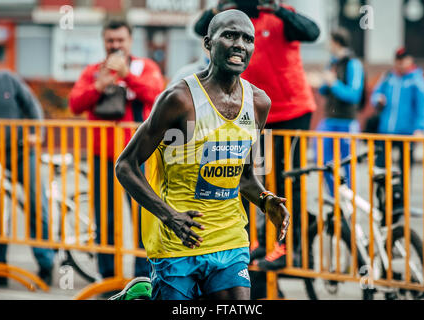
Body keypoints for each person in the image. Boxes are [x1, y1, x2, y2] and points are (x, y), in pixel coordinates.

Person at [114, 10, 289, 300]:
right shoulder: (179, 100)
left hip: (230, 239)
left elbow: (244, 177)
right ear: (208, 43)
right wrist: (170, 217)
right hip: (178, 242)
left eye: (248, 39)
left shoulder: (259, 102)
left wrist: (264, 200)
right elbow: (126, 166)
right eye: (230, 35)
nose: (239, 45)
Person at [193, 0, 320, 272]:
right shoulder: (232, 20)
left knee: (288, 180)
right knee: (256, 177)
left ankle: (290, 248)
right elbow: (199, 28)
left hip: (291, 111)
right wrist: (219, 7)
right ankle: (263, 240)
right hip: (258, 112)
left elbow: (313, 32)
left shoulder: (277, 15)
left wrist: (278, 8)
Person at [69, 20, 164, 280]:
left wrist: (128, 76)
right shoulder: (92, 71)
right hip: (104, 157)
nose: (115, 45)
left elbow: (158, 96)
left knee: (144, 218)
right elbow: (75, 104)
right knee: (106, 219)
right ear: (103, 41)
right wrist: (98, 86)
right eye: (110, 40)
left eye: (120, 40)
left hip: (140, 157)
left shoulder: (145, 67)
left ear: (130, 41)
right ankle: (108, 278)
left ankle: (145, 278)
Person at [0, 70, 55, 287]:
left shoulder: (7, 80)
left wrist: (37, 133)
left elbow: (33, 106)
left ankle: (45, 264)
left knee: (37, 205)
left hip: (20, 152)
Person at [371, 47, 424, 190]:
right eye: (398, 60)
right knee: (380, 169)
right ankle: (383, 199)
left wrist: (420, 128)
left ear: (410, 60)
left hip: (407, 132)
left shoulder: (417, 80)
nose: (400, 63)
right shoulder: (388, 77)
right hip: (386, 130)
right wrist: (377, 99)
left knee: (404, 169)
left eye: (403, 60)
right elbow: (375, 94)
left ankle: (402, 201)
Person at [316, 27, 366, 196]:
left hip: (347, 121)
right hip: (329, 119)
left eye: (329, 41)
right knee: (324, 162)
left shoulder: (353, 63)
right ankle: (335, 200)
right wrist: (324, 82)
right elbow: (325, 90)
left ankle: (350, 205)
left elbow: (354, 94)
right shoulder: (332, 63)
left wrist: (333, 84)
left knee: (349, 165)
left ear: (336, 42)